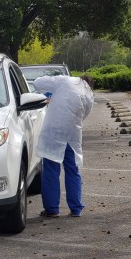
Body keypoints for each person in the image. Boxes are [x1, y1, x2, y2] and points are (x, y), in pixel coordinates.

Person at [32, 75, 94, 217]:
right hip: (72, 134)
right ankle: (76, 209)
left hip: (54, 132)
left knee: (51, 171)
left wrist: (50, 93)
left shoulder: (64, 80)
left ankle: (52, 209)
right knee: (72, 170)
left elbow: (37, 82)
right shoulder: (89, 93)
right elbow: (84, 114)